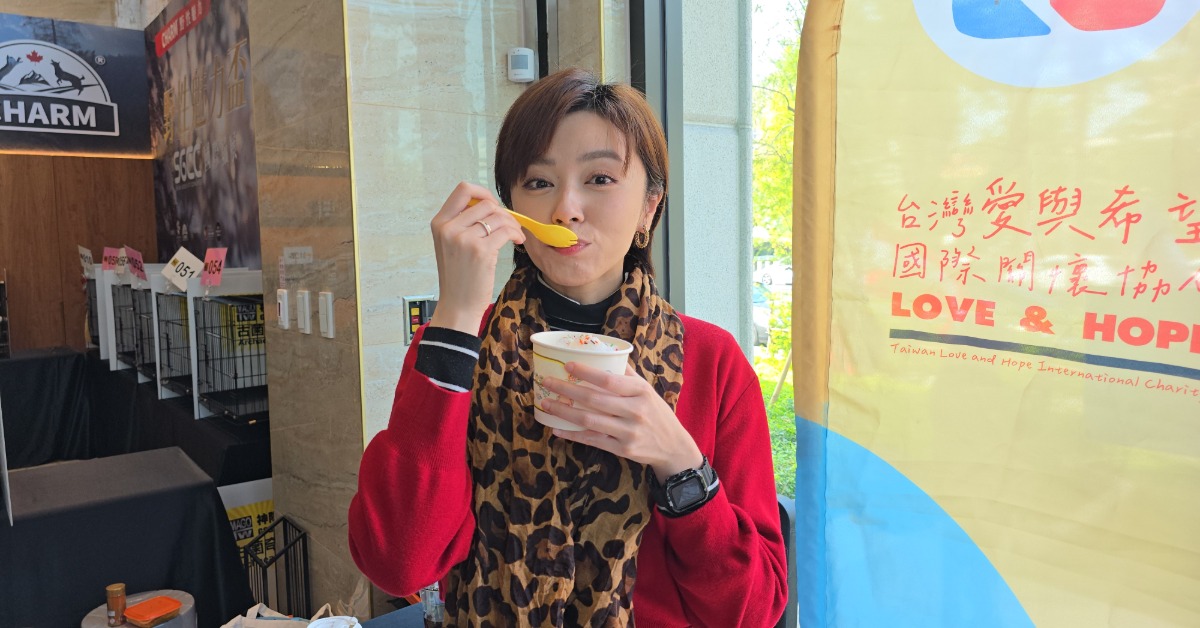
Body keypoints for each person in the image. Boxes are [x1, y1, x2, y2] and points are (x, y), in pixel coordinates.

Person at [349, 68, 787, 627]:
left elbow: (753, 611)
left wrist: (680, 464)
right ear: (511, 208)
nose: (566, 209)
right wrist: (456, 313)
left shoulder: (713, 362)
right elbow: (397, 564)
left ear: (649, 207)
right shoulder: (459, 346)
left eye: (600, 178)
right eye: (538, 182)